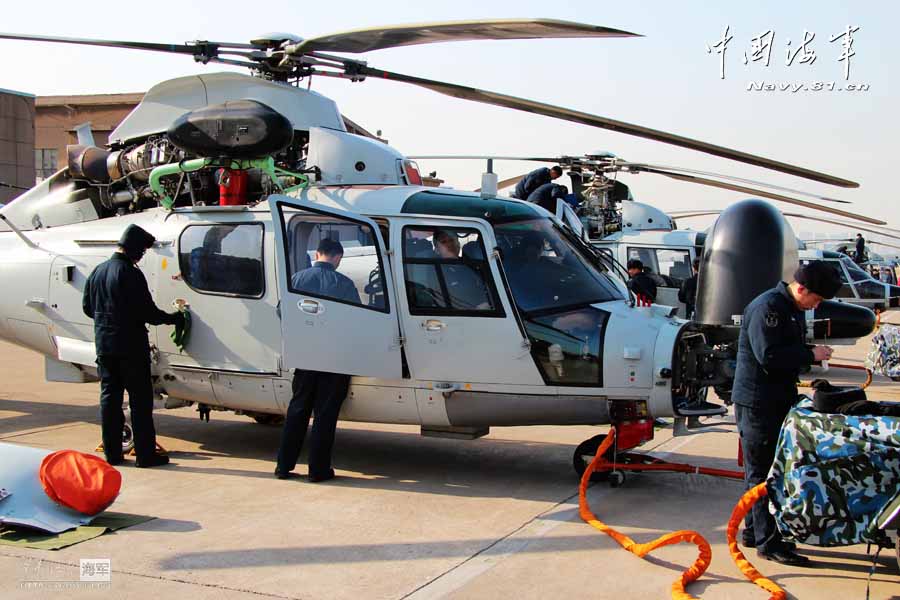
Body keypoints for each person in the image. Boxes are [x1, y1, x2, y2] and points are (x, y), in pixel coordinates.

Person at [732, 260, 841, 566]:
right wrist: (810, 354)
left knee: (765, 469)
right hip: (759, 402)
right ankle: (769, 543)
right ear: (801, 288)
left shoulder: (790, 307)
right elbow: (769, 355)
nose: (814, 306)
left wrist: (808, 353)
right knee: (764, 473)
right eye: (815, 299)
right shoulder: (769, 308)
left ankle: (755, 532)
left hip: (775, 398)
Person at [82, 224, 184, 468]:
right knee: (140, 402)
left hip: (104, 347)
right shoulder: (129, 273)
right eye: (142, 252)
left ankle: (113, 453)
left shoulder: (98, 271)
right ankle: (146, 455)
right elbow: (147, 311)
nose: (142, 257)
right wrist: (174, 318)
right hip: (130, 348)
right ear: (135, 250)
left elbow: (87, 308)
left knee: (109, 399)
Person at [278, 238, 360, 482]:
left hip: (304, 355)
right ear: (338, 258)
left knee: (298, 409)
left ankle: (283, 466)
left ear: (317, 253)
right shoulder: (344, 283)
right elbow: (357, 319)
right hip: (335, 358)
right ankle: (318, 470)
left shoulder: (297, 279)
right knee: (325, 415)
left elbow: (282, 312)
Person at [433, 230, 492, 310]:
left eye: (452, 240)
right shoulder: (436, 270)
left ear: (458, 244)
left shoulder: (471, 264)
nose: (450, 244)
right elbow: (441, 302)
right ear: (437, 250)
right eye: (444, 242)